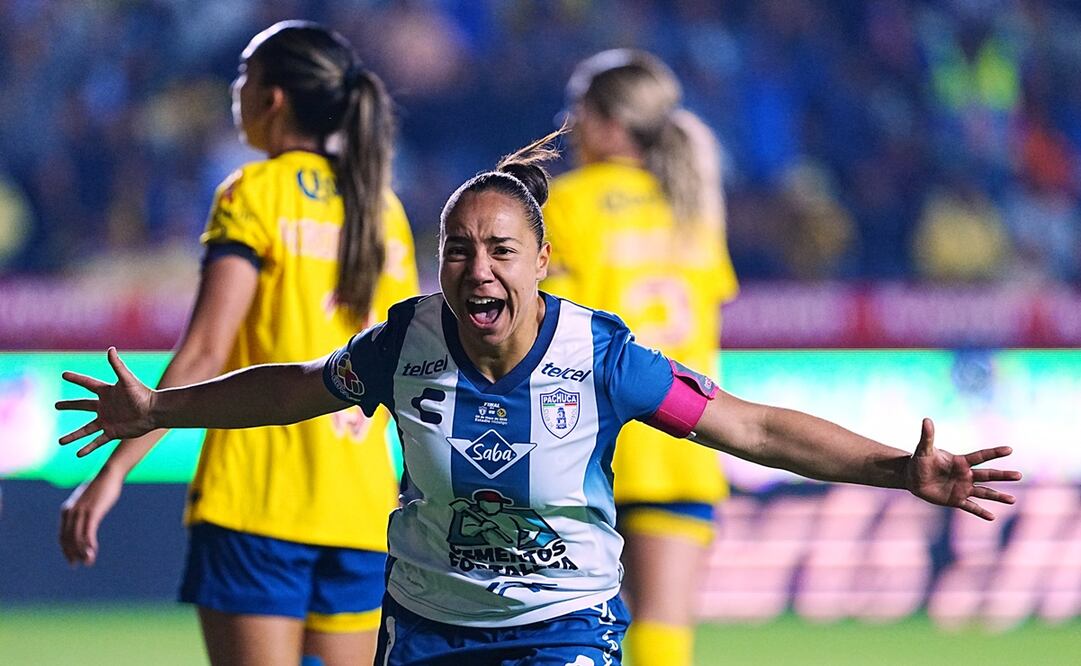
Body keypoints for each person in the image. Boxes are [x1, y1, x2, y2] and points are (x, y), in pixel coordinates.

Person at [56, 131, 1021, 666]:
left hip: (562, 632)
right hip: (426, 631)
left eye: (500, 250)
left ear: (541, 263)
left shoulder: (601, 357)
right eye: (458, 251)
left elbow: (753, 426)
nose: (477, 269)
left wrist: (897, 469)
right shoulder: (406, 339)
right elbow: (298, 389)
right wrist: (162, 412)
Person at [57, 21, 418, 666]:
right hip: (364, 508)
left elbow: (204, 351)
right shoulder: (384, 210)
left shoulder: (252, 193)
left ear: (273, 99)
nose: (236, 91)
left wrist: (113, 472)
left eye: (244, 76)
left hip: (257, 500)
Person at [541, 49, 739, 666]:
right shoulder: (694, 208)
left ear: (611, 122)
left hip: (587, 438)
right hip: (682, 436)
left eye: (579, 110)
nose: (569, 124)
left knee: (564, 628)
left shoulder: (568, 203)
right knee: (664, 632)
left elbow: (544, 323)